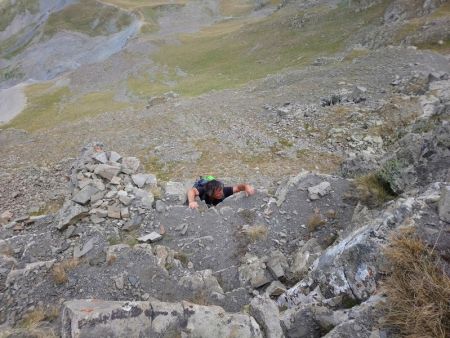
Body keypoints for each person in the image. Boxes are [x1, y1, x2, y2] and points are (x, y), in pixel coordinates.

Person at [187, 179, 255, 209]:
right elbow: (191, 191)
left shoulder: (224, 191)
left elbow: (238, 188)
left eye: (221, 190)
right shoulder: (204, 191)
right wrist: (192, 202)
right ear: (210, 193)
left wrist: (246, 187)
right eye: (218, 193)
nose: (221, 193)